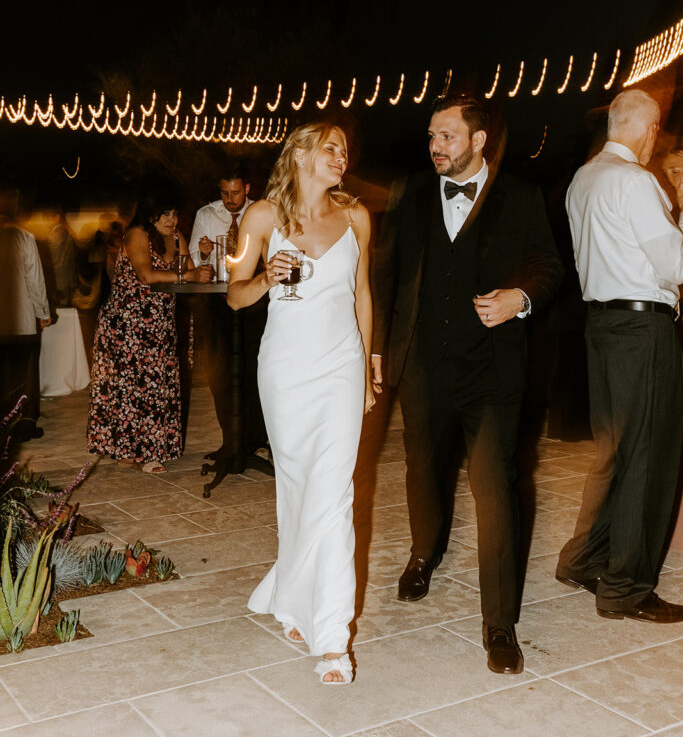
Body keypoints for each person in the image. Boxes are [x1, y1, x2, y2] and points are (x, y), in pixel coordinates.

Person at [371, 91, 562, 675]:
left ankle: (499, 623)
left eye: (446, 136)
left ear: (479, 140)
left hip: (492, 374)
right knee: (423, 471)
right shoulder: (411, 195)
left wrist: (520, 298)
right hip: (424, 367)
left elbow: (550, 268)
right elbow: (387, 275)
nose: (434, 147)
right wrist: (378, 346)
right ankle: (424, 552)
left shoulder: (522, 197)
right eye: (431, 136)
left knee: (495, 489)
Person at [228, 122, 377, 685]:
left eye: (345, 147)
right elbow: (235, 294)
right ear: (300, 154)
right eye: (330, 147)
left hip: (340, 365)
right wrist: (267, 274)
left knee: (335, 493)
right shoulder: (261, 218)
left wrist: (365, 371)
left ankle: (333, 637)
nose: (342, 155)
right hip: (285, 370)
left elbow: (363, 295)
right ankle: (292, 599)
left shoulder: (358, 216)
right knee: (295, 488)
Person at [556, 88, 683, 623]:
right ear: (648, 129)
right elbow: (675, 265)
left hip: (601, 325)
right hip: (641, 329)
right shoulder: (635, 182)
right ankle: (626, 589)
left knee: (614, 451)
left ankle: (583, 559)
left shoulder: (583, 178)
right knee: (648, 458)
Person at [87, 192, 212, 473]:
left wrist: (199, 263)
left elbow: (188, 269)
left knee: (156, 385)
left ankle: (137, 449)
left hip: (159, 323)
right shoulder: (137, 235)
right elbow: (146, 275)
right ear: (150, 214)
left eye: (175, 214)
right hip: (126, 324)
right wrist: (189, 275)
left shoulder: (177, 236)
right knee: (130, 388)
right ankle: (140, 452)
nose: (172, 220)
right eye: (166, 214)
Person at [189, 164, 268, 462]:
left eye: (235, 192)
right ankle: (230, 441)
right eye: (224, 192)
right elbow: (196, 258)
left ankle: (257, 440)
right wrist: (205, 254)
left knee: (253, 370)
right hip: (216, 300)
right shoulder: (206, 215)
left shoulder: (261, 212)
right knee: (220, 373)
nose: (229, 198)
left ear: (246, 188)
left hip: (253, 301)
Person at [0, 180, 51, 439]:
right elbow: (35, 280)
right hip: (20, 320)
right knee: (26, 373)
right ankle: (25, 422)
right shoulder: (24, 237)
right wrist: (43, 313)